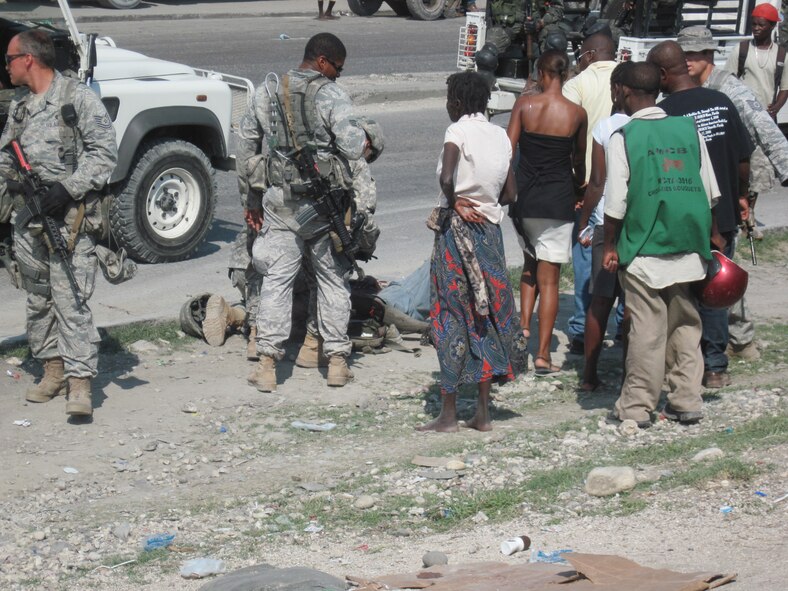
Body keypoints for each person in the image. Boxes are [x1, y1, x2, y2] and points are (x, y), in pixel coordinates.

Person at [236, 32, 367, 392]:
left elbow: (246, 149)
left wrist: (251, 200)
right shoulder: (331, 95)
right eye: (337, 68)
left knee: (276, 281)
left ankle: (266, 366)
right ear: (322, 61)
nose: (338, 75)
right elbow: (354, 148)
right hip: (324, 210)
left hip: (280, 206)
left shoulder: (267, 92)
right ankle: (337, 362)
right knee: (332, 280)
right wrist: (369, 133)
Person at [0, 30, 117, 417]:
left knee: (71, 300)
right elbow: (5, 157)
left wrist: (67, 189)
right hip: (28, 220)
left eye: (10, 58)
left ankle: (80, 383)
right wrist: (13, 184)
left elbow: (104, 154)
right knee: (38, 300)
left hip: (69, 221)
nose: (6, 65)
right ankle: (53, 370)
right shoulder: (20, 106)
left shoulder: (76, 98)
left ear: (28, 59)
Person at [602, 61, 721, 427]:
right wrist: (711, 238)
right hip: (689, 245)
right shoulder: (688, 130)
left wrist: (610, 246)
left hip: (643, 251)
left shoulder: (624, 137)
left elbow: (616, 203)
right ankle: (686, 400)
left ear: (622, 90)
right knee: (686, 325)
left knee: (647, 331)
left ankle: (637, 407)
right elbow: (709, 191)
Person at [417, 71, 526, 433]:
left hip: (456, 236)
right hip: (490, 235)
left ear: (459, 103)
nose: (448, 106)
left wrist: (457, 202)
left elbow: (447, 179)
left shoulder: (458, 131)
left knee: (450, 315)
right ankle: (482, 413)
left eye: (450, 100)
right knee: (486, 315)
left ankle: (448, 414)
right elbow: (511, 193)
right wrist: (485, 201)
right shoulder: (500, 135)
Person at [678, 25, 788, 362]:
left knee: (722, 267)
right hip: (698, 190)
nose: (686, 61)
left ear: (708, 55)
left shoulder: (730, 89)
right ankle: (730, 338)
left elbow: (766, 130)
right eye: (683, 55)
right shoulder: (686, 89)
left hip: (730, 188)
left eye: (692, 55)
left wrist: (784, 170)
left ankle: (739, 340)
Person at [649, 41, 754, 390]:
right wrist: (741, 196)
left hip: (682, 218)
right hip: (722, 215)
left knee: (681, 295)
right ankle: (714, 367)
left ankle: (682, 366)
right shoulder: (722, 103)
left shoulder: (664, 113)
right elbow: (742, 158)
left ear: (664, 74)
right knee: (715, 290)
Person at [507, 49, 587, 376]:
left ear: (541, 72)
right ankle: (542, 356)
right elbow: (579, 161)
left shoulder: (524, 106)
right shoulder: (576, 113)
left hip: (525, 199)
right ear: (565, 74)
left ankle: (523, 328)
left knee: (530, 262)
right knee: (550, 280)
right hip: (557, 200)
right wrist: (580, 189)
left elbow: (507, 150)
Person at [561, 32, 617, 356]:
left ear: (591, 54)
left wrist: (575, 182)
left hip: (589, 182)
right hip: (627, 179)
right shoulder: (629, 77)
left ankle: (583, 328)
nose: (579, 59)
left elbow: (570, 136)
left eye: (581, 55)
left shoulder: (578, 84)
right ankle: (623, 323)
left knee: (585, 248)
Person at [577, 61, 631, 392]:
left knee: (601, 301)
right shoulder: (655, 123)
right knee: (636, 303)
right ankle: (632, 372)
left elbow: (597, 182)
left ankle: (589, 375)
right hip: (641, 226)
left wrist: (584, 222)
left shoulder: (605, 128)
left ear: (616, 91)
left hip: (606, 226)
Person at [723, 2, 788, 238]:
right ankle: (738, 214)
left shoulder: (781, 55)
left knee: (759, 172)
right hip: (740, 121)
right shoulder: (741, 50)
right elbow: (726, 81)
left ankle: (749, 217)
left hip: (764, 123)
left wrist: (776, 107)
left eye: (761, 25)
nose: (756, 28)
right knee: (740, 168)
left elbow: (784, 87)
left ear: (772, 26)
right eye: (754, 24)